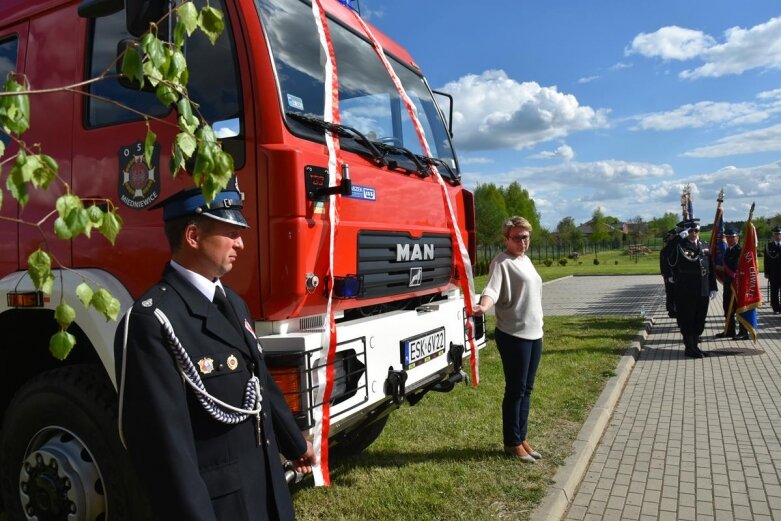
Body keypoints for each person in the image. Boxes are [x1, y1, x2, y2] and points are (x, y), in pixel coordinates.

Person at [114, 183, 314, 520]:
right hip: (220, 504)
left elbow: (259, 381)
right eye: (231, 233)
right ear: (193, 236)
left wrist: (295, 443)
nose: (241, 243)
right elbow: (165, 453)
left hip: (264, 488)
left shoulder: (233, 302)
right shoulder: (154, 321)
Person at [473, 216, 543, 463]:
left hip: (535, 334)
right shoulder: (501, 262)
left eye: (526, 237)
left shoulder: (525, 260)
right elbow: (492, 288)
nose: (523, 242)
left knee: (527, 389)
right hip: (514, 335)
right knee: (515, 390)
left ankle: (521, 436)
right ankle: (512, 443)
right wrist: (483, 306)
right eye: (517, 237)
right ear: (506, 238)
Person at [667, 219, 718, 358]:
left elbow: (710, 268)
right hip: (686, 288)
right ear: (686, 232)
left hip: (703, 287)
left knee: (699, 317)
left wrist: (713, 287)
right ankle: (689, 347)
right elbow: (670, 259)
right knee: (687, 317)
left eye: (696, 230)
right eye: (690, 231)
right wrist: (677, 240)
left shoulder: (704, 245)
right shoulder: (680, 245)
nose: (694, 233)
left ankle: (695, 346)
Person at [717, 228, 749, 340]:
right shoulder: (728, 250)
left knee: (739, 308)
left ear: (737, 238)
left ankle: (743, 332)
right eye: (728, 237)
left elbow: (736, 267)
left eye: (732, 237)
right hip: (728, 284)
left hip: (737, 285)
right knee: (727, 308)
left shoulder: (740, 251)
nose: (730, 239)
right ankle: (730, 330)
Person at [660, 229, 678, 318]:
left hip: (674, 274)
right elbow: (663, 263)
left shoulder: (675, 247)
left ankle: (673, 309)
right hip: (668, 274)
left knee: (673, 292)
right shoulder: (665, 250)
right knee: (670, 292)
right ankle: (672, 310)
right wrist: (664, 273)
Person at [765, 226, 781, 314]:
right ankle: (776, 308)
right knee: (774, 291)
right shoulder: (768, 246)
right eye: (776, 234)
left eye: (779, 234)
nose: (777, 236)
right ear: (773, 235)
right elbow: (766, 260)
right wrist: (766, 272)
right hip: (773, 273)